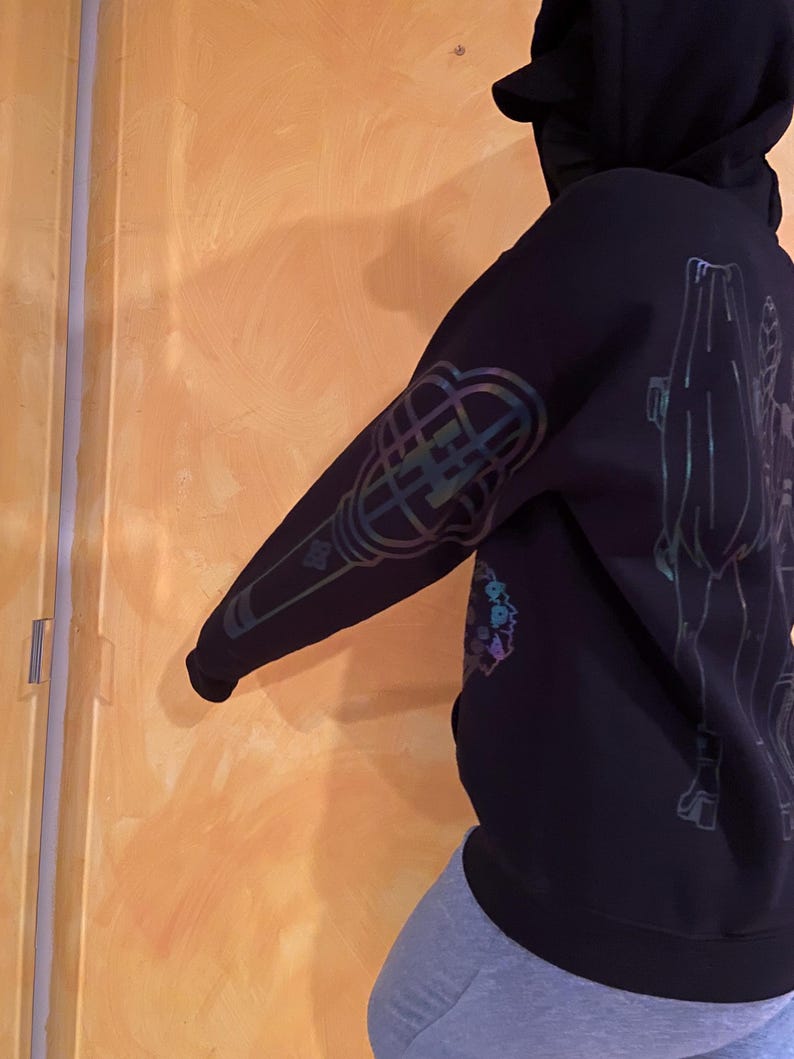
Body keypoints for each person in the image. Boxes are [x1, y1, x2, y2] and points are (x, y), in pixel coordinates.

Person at [187, 0, 794, 1054]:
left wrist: (228, 641)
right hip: (765, 906)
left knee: (406, 1025)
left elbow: (412, 484)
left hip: (603, 896)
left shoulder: (615, 235)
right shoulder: (773, 279)